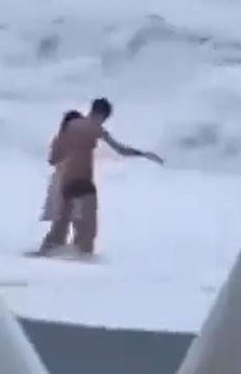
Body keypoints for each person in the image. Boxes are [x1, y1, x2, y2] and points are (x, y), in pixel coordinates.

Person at [36, 98, 164, 257]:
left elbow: (53, 159)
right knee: (87, 230)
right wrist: (143, 154)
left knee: (61, 225)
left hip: (65, 182)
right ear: (102, 114)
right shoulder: (95, 128)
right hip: (83, 181)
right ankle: (81, 257)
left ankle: (47, 251)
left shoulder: (68, 125)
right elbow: (121, 150)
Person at [39, 110, 83, 242]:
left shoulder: (62, 139)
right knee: (64, 218)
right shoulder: (67, 140)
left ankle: (54, 244)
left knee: (64, 219)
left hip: (68, 180)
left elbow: (52, 160)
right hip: (65, 181)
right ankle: (53, 244)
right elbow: (53, 160)